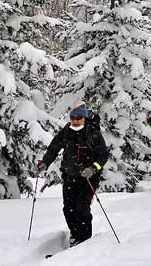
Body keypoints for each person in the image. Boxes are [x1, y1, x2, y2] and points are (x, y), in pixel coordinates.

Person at [38, 101, 109, 246]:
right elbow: (53, 148)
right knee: (68, 209)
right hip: (70, 177)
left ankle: (84, 241)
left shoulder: (92, 133)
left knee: (82, 209)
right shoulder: (67, 131)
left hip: (88, 178)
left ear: (84, 118)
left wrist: (92, 169)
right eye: (72, 118)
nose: (75, 121)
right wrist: (45, 163)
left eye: (78, 118)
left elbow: (103, 156)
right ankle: (75, 236)